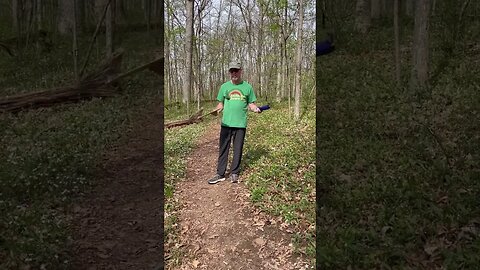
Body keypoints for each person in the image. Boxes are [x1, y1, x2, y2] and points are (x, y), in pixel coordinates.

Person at [208, 61, 261, 184]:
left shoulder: (247, 87)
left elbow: (251, 103)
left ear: (241, 71)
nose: (234, 73)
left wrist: (255, 108)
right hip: (226, 124)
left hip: (240, 124)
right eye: (232, 71)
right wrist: (217, 109)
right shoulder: (224, 87)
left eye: (236, 70)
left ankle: (234, 173)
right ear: (229, 72)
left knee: (238, 148)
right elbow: (220, 103)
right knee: (223, 148)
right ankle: (220, 173)